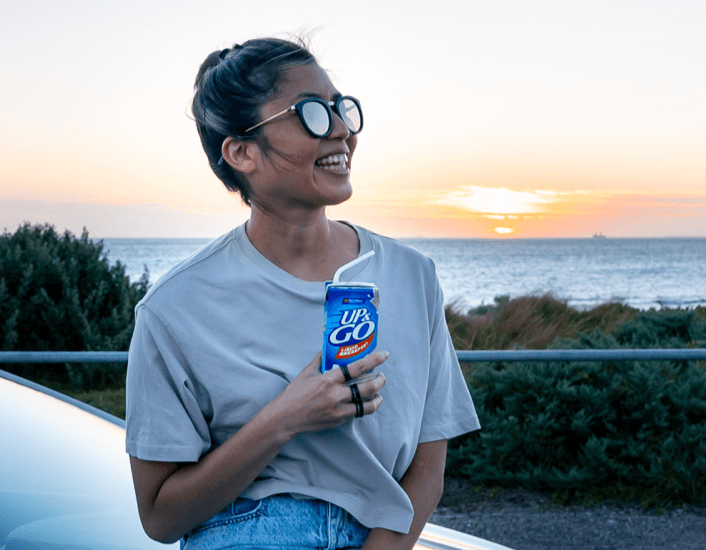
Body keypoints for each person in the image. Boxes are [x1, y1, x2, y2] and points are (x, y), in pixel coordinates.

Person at [125, 36, 480, 550]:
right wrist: (285, 417)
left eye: (342, 108)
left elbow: (428, 470)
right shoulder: (174, 309)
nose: (340, 130)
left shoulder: (411, 275)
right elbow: (160, 516)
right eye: (311, 113)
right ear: (241, 152)